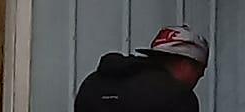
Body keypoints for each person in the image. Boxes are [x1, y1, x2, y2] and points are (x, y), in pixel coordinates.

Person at [74, 25, 209, 112]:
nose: (202, 74)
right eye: (199, 69)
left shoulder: (92, 82)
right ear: (185, 63)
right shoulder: (180, 98)